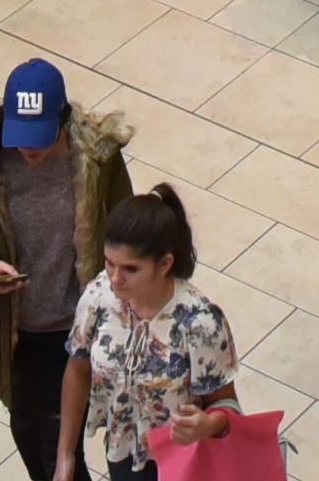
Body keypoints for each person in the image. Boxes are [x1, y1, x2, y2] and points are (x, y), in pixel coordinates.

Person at [0, 60, 136, 481]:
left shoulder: (98, 162)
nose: (29, 149)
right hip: (16, 330)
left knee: (57, 453)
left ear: (63, 121)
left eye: (40, 138)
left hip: (80, 326)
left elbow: (126, 229)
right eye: (20, 136)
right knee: (35, 438)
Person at [46, 184, 243, 481]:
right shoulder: (98, 297)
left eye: (130, 269)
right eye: (109, 263)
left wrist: (208, 424)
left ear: (164, 264)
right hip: (125, 457)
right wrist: (66, 455)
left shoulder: (200, 322)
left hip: (186, 462)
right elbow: (77, 369)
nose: (115, 278)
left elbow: (227, 405)